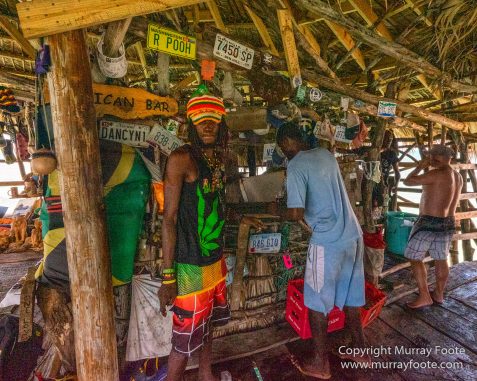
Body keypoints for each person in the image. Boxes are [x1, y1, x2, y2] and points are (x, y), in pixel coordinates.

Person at [158, 93, 263, 381]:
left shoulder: (218, 159)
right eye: (201, 121)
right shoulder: (182, 159)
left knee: (208, 328)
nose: (207, 126)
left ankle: (207, 376)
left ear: (221, 125)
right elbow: (170, 219)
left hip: (215, 264)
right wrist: (168, 277)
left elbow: (215, 205)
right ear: (191, 124)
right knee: (182, 343)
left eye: (213, 122)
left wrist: (239, 218)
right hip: (190, 267)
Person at [276, 122, 369, 379]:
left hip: (326, 241)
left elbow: (295, 213)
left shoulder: (295, 165)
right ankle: (360, 349)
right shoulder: (326, 155)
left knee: (316, 300)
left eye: (283, 148)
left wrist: (276, 209)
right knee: (351, 297)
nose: (284, 152)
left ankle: (320, 362)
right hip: (353, 234)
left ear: (286, 143)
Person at [403, 145, 462, 308]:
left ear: (437, 157)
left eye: (431, 157)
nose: (429, 159)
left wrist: (419, 167)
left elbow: (407, 181)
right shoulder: (458, 176)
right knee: (441, 258)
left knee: (414, 256)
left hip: (428, 222)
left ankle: (424, 296)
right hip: (448, 222)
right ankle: (438, 294)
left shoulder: (436, 174)